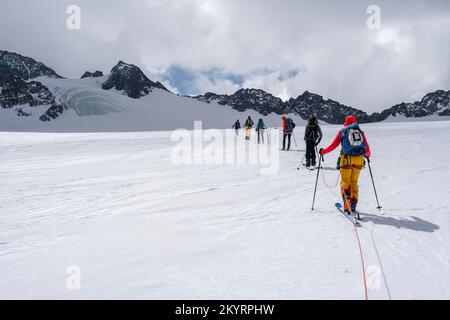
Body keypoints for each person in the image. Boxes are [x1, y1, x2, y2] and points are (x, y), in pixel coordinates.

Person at [319, 116, 371, 214]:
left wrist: (323, 152)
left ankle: (347, 206)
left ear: (345, 123)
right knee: (354, 182)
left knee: (345, 183)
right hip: (359, 161)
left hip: (346, 160)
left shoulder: (342, 132)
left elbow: (333, 145)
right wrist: (366, 156)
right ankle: (353, 205)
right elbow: (367, 150)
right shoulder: (360, 132)